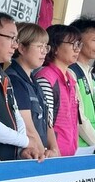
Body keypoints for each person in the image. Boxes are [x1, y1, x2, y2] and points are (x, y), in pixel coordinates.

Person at [0, 13, 40, 160]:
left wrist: (22, 149)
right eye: (11, 38)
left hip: (9, 159)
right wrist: (25, 141)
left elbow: (16, 114)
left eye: (16, 39)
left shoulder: (3, 75)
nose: (15, 45)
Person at [7, 23, 61, 157]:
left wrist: (54, 150)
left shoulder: (34, 80)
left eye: (46, 47)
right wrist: (43, 154)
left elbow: (47, 123)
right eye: (39, 46)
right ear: (21, 48)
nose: (44, 51)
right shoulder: (15, 80)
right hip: (28, 156)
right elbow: (28, 129)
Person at [35, 25, 83, 156]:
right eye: (72, 44)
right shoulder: (46, 78)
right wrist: (54, 149)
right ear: (55, 48)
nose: (77, 49)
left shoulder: (70, 79)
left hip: (68, 154)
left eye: (79, 44)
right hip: (52, 155)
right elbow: (45, 122)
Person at [69, 17, 95, 155]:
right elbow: (78, 116)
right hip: (77, 148)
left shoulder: (90, 75)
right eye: (94, 40)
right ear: (78, 41)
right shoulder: (71, 71)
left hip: (91, 148)